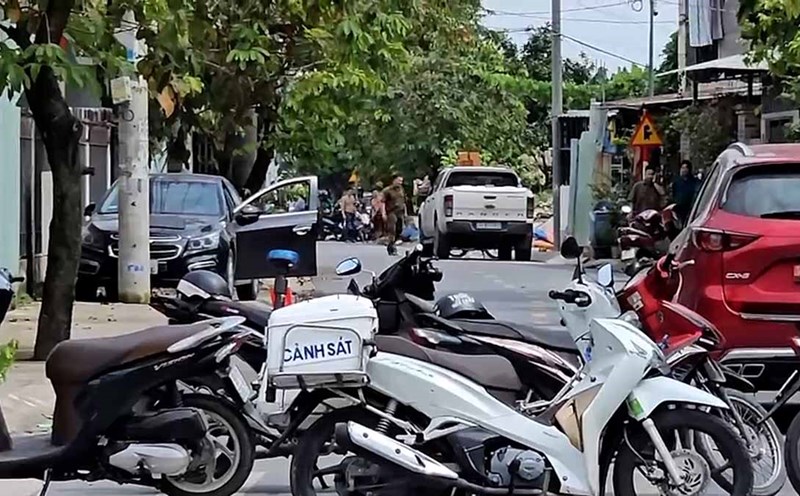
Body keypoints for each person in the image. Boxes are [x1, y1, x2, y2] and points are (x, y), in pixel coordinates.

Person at [382, 174, 406, 255]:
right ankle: (391, 247)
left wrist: (405, 213)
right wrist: (383, 213)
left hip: (400, 212)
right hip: (391, 212)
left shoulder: (401, 189)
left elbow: (403, 201)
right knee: (392, 229)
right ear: (394, 181)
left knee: (400, 229)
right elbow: (382, 202)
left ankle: (392, 243)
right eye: (399, 181)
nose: (400, 183)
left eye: (401, 181)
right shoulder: (387, 190)